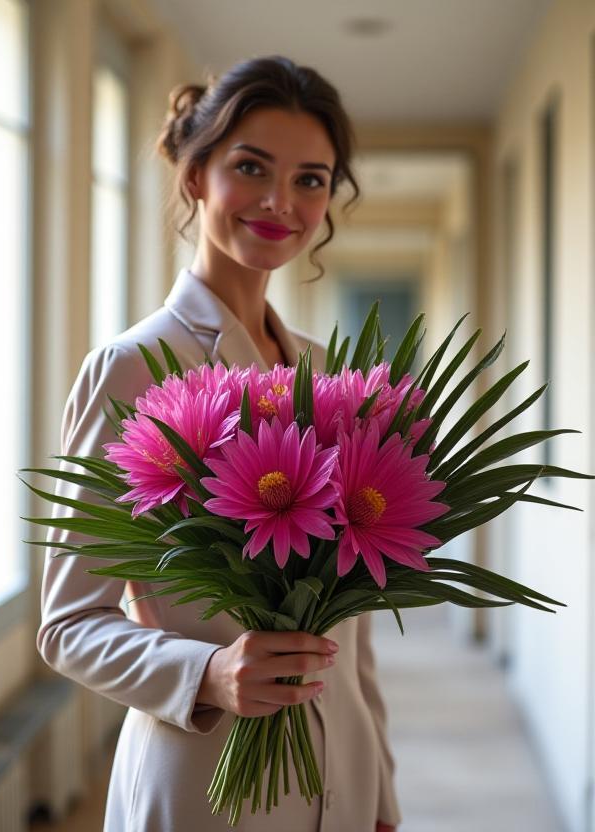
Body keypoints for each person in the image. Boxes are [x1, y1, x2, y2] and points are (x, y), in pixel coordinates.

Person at [37, 55, 401, 832]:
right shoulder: (132, 367)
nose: (280, 202)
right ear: (195, 174)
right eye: (250, 167)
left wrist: (382, 794)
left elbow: (355, 620)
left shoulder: (327, 371)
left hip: (346, 771)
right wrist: (208, 671)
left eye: (310, 179)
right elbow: (67, 626)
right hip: (205, 781)